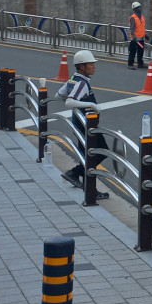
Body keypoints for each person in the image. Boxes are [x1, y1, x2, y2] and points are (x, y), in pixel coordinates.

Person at [56, 50, 109, 200]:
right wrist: (92, 105)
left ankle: (86, 186)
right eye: (90, 64)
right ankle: (75, 174)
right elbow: (68, 101)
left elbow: (59, 95)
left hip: (79, 124)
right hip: (86, 125)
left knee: (88, 155)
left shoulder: (74, 79)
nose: (94, 66)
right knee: (100, 151)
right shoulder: (81, 83)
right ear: (81, 66)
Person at [127, 2, 146, 69]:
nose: (140, 9)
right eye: (139, 7)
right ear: (136, 9)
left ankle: (140, 63)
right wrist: (134, 37)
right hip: (135, 39)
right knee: (133, 51)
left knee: (141, 51)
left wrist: (145, 35)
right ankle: (130, 64)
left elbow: (142, 27)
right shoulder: (133, 18)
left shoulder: (142, 17)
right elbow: (132, 29)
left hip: (141, 39)